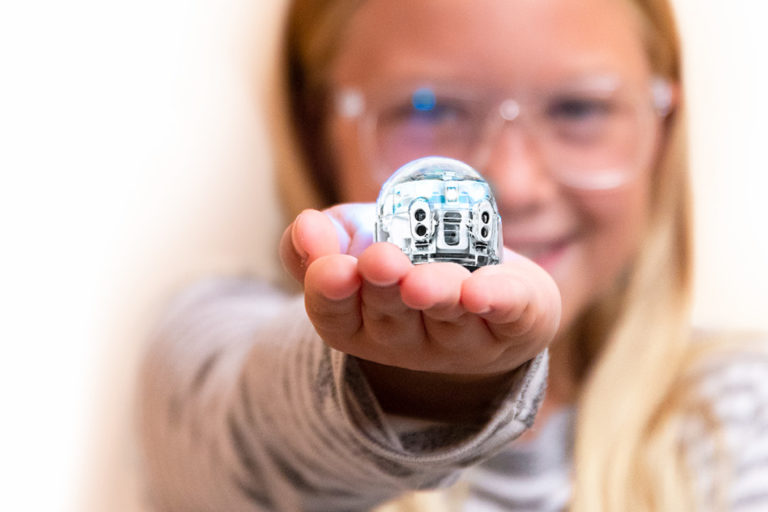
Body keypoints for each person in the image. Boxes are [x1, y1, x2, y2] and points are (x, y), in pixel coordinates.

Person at [139, 0, 768, 510]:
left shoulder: (740, 414)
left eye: (579, 108)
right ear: (317, 131)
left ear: (662, 128)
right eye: (429, 108)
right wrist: (408, 384)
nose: (515, 186)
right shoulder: (201, 355)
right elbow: (252, 436)